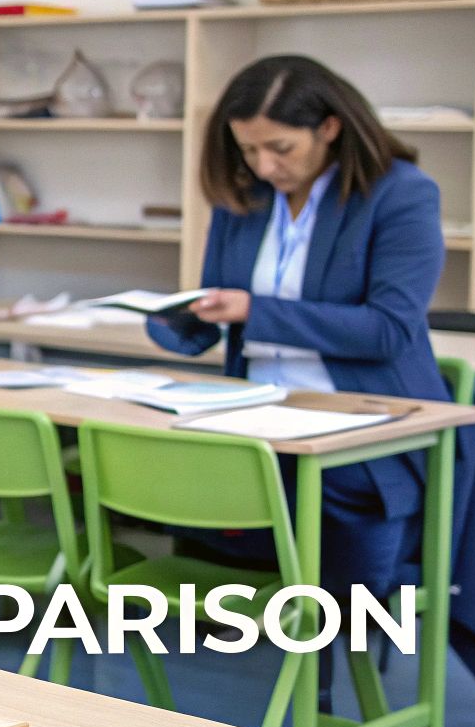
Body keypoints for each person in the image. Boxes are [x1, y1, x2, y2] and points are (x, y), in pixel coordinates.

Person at [146, 54, 446, 597]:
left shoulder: (400, 194)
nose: (263, 166)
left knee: (327, 499)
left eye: (280, 148)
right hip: (255, 413)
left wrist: (254, 311)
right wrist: (175, 319)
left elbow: (389, 330)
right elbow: (219, 309)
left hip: (361, 424)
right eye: (248, 149)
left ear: (329, 128)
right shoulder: (246, 197)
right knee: (163, 471)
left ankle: (324, 649)